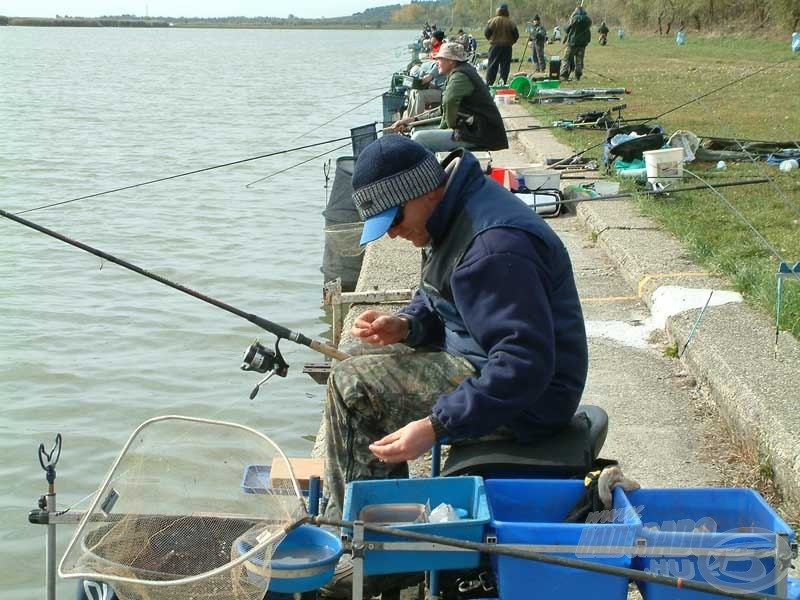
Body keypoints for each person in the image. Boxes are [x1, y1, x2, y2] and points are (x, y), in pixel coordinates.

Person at [320, 136, 589, 596]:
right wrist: (406, 324)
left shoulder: (493, 246)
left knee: (354, 385)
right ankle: (366, 528)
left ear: (426, 190)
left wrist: (435, 425)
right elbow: (442, 294)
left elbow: (524, 365)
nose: (391, 233)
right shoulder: (452, 214)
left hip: (531, 399)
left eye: (394, 219)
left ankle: (381, 553)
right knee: (360, 362)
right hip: (487, 365)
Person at [390, 42, 508, 152]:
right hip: (472, 129)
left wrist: (446, 126)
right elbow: (443, 109)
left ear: (451, 61)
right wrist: (413, 121)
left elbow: (448, 101)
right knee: (415, 129)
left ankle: (431, 173)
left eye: (440, 59)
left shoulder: (460, 76)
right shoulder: (460, 72)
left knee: (418, 138)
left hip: (480, 134)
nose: (437, 62)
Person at [484, 3, 519, 85]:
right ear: (507, 11)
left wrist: (491, 40)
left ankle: (489, 83)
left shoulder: (493, 20)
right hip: (507, 46)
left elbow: (486, 33)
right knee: (505, 66)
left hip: (495, 45)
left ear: (498, 10)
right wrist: (511, 42)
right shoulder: (511, 22)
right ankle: (502, 83)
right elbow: (516, 35)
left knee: (492, 65)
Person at [560, 5, 592, 81]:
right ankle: (578, 75)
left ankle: (564, 75)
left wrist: (571, 17)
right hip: (583, 44)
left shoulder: (573, 19)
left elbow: (567, 29)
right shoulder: (588, 20)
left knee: (566, 59)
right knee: (579, 60)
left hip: (572, 43)